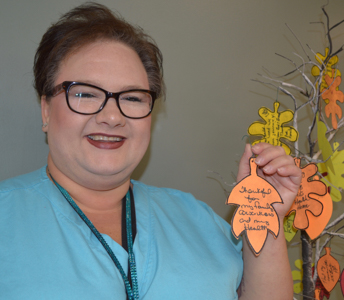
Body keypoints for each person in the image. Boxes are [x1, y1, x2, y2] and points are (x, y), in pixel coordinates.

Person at [0, 3, 301, 299]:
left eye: (131, 98)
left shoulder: (198, 221)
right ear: (46, 111)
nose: (112, 116)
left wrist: (266, 214)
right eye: (85, 94)